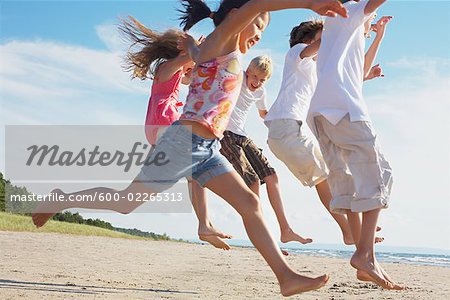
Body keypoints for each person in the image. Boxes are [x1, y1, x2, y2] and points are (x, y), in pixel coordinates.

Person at [32, 0, 348, 296]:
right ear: (239, 16)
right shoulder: (223, 40)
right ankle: (62, 199)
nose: (258, 35)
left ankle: (286, 277)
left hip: (206, 148)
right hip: (183, 142)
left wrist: (194, 48)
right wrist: (309, 3)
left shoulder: (216, 48)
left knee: (250, 204)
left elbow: (199, 56)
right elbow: (256, 5)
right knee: (126, 201)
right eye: (258, 27)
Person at [306, 0, 403, 290]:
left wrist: (378, 35)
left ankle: (365, 258)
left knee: (346, 182)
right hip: (344, 110)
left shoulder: (335, 25)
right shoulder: (347, 9)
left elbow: (360, 70)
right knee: (379, 175)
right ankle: (365, 256)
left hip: (322, 115)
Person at [265, 19, 385, 246]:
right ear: (308, 40)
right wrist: (340, 27)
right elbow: (321, 46)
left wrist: (374, 41)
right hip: (286, 128)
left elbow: (353, 74)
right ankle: (350, 231)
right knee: (325, 178)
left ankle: (354, 225)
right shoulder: (297, 54)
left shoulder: (316, 70)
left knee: (336, 174)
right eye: (322, 37)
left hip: (292, 131)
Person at [119, 16, 232, 250]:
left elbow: (191, 74)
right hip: (165, 124)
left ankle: (204, 224)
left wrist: (196, 55)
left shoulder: (175, 73)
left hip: (155, 128)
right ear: (179, 53)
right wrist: (194, 49)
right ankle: (204, 224)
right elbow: (187, 62)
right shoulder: (167, 68)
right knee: (197, 172)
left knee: (190, 176)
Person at [219, 55, 313, 246]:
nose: (257, 82)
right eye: (254, 77)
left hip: (242, 136)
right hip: (226, 134)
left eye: (262, 79)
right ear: (247, 72)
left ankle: (285, 230)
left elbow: (264, 114)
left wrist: (284, 119)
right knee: (252, 181)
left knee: (271, 176)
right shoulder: (238, 79)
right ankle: (262, 237)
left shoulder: (260, 92)